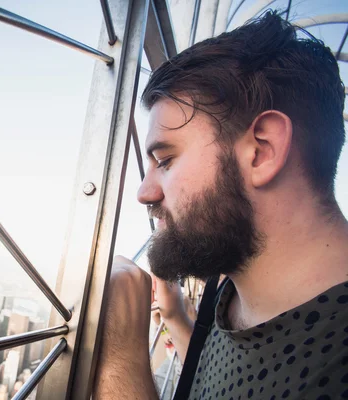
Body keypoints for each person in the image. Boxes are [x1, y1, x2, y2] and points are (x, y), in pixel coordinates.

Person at [94, 11, 348, 400]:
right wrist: (178, 318)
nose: (144, 192)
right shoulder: (228, 290)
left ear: (262, 151)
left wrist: (120, 363)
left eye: (165, 160)